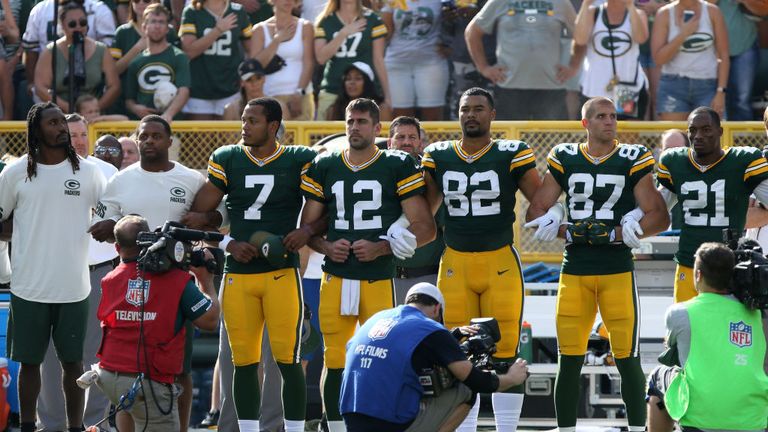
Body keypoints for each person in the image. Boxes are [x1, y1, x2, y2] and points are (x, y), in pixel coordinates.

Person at [525, 96, 670, 432]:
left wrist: (623, 230)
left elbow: (660, 216)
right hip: (574, 269)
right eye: (601, 116)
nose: (610, 121)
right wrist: (562, 223)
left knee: (628, 360)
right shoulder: (565, 156)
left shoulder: (633, 157)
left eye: (613, 116)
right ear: (585, 123)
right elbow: (536, 211)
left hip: (616, 269)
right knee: (569, 361)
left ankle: (638, 429)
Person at [299, 98, 436, 432]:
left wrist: (381, 248)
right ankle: (334, 427)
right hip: (336, 276)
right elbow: (308, 229)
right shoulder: (325, 165)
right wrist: (327, 246)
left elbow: (426, 229)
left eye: (362, 122)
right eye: (350, 121)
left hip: (377, 279)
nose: (355, 128)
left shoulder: (396, 165)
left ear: (377, 129)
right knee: (333, 361)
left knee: (382, 359)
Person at [187, 97, 317, 432]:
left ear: (273, 126)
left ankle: (292, 429)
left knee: (288, 361)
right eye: (243, 119)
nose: (244, 126)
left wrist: (306, 230)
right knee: (242, 362)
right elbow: (198, 216)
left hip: (281, 273)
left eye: (252, 121)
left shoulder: (299, 159)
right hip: (239, 274)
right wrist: (229, 242)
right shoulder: (228, 158)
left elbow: (326, 204)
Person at [419, 87, 540, 431]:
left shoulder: (510, 152)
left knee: (505, 351)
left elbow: (539, 200)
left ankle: (505, 428)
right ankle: (465, 427)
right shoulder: (438, 155)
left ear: (492, 114)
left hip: (499, 261)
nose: (470, 115)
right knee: (456, 352)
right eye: (464, 109)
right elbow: (425, 210)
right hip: (455, 261)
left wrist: (552, 214)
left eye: (478, 109)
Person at [87, 115, 207, 432]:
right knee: (127, 368)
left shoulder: (191, 178)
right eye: (144, 136)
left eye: (156, 136)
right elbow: (104, 227)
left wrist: (204, 220)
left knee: (179, 367)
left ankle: (180, 428)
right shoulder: (120, 181)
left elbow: (211, 217)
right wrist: (112, 229)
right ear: (137, 140)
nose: (150, 141)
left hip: (175, 282)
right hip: (132, 281)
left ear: (169, 141)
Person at [0, 102, 106, 432]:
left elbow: (107, 212)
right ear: (36, 131)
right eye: (53, 123)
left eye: (63, 121)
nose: (61, 128)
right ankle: (30, 426)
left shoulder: (88, 172)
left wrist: (105, 225)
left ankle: (75, 427)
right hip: (28, 286)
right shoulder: (15, 172)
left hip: (75, 286)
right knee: (29, 363)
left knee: (73, 363)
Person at [340, 282, 530, 431]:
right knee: (466, 390)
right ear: (437, 309)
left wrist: (452, 336)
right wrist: (511, 378)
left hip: (352, 419)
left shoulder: (378, 318)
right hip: (390, 423)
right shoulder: (431, 328)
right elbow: (475, 380)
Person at [94, 215, 221, 430]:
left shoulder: (110, 279)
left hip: (110, 378)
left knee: (127, 406)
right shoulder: (175, 280)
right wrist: (206, 282)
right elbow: (210, 321)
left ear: (117, 248)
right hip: (150, 382)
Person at [34, 113, 117, 432]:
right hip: (54, 271)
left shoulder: (107, 172)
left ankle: (95, 422)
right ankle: (52, 424)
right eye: (73, 134)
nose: (79, 140)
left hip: (98, 272)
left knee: (97, 352)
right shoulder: (38, 171)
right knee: (53, 353)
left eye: (84, 134)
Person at [645, 242, 768, 432]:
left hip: (701, 421)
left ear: (698, 275)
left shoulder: (680, 313)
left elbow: (671, 350)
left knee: (658, 376)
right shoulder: (758, 313)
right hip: (753, 421)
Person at [656, 106, 768, 303]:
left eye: (706, 129)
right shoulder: (676, 162)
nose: (698, 136)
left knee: (728, 329)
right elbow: (657, 210)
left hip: (729, 265)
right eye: (693, 130)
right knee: (685, 328)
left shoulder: (743, 161)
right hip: (689, 261)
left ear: (720, 132)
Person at [465, 0, 578, 120]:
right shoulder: (499, 2)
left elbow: (580, 35)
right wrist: (483, 68)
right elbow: (472, 32)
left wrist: (574, 67)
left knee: (553, 138)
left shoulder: (561, 2)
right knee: (509, 139)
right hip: (509, 87)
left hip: (551, 87)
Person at [387, 116, 444, 303]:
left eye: (412, 137)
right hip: (385, 275)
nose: (406, 142)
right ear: (389, 143)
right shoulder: (378, 174)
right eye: (400, 137)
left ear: (420, 143)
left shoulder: (433, 175)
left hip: (427, 275)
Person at [33, 1, 120, 113]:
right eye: (72, 24)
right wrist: (68, 108)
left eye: (83, 22)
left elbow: (114, 86)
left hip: (94, 117)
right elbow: (41, 87)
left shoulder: (101, 50)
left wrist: (93, 109)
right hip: (60, 115)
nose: (78, 27)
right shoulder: (50, 51)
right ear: (62, 25)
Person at [314, 0, 392, 121]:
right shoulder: (325, 20)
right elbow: (321, 58)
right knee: (326, 136)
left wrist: (387, 95)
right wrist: (344, 33)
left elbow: (378, 60)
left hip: (367, 92)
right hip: (332, 89)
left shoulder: (372, 19)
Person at [651, 0, 729, 120]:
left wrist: (721, 92)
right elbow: (659, 59)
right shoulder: (664, 14)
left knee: (709, 137)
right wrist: (684, 34)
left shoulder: (712, 11)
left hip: (708, 86)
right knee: (675, 137)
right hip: (673, 86)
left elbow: (723, 55)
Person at [574, 0, 650, 120]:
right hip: (595, 88)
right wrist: (586, 4)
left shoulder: (637, 14)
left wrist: (630, 6)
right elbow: (580, 39)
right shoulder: (592, 12)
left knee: (627, 135)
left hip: (627, 89)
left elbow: (640, 38)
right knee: (597, 134)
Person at [179, 0, 252, 120]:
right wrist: (218, 30)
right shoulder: (192, 11)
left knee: (229, 137)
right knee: (202, 138)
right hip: (200, 88)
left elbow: (250, 49)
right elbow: (189, 52)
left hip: (230, 87)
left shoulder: (238, 11)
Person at [381, 0, 449, 120]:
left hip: (431, 62)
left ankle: (432, 140)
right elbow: (385, 33)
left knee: (432, 116)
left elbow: (455, 21)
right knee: (401, 118)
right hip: (397, 63)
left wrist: (450, 45)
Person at [250, 0, 315, 120]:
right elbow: (255, 67)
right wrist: (277, 40)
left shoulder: (306, 26)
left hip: (301, 97)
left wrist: (299, 93)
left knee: (301, 139)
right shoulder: (259, 29)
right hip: (269, 96)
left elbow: (309, 63)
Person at [125, 3, 191, 121]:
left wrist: (168, 115)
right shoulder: (135, 62)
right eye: (153, 22)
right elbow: (129, 99)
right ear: (144, 27)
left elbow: (184, 91)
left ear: (167, 28)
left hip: (172, 126)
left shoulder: (179, 57)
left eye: (161, 22)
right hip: (143, 125)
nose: (157, 26)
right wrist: (135, 108)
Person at [713, 0, 767, 120]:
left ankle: (742, 137)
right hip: (712, 50)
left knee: (742, 99)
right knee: (718, 99)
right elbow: (693, 7)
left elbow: (764, 11)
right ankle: (721, 137)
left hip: (745, 47)